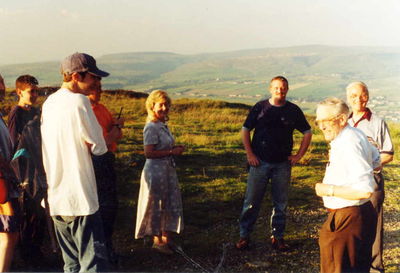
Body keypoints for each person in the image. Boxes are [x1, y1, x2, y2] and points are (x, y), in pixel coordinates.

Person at [41, 52, 109, 272]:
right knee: (92, 264)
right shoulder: (79, 102)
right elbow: (99, 145)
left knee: (71, 264)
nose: (97, 82)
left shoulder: (50, 102)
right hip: (80, 196)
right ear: (75, 76)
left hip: (56, 197)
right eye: (93, 77)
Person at [236, 76, 312, 251]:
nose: (280, 90)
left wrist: (299, 155)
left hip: (282, 164)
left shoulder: (293, 110)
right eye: (277, 88)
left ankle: (277, 238)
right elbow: (245, 129)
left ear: (287, 89)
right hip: (259, 163)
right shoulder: (260, 107)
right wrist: (250, 154)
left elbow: (307, 132)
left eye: (283, 87)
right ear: (270, 88)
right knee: (251, 202)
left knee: (281, 203)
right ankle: (244, 237)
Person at [315, 97, 379, 273]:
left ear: (342, 119)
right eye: (317, 121)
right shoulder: (354, 134)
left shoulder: (348, 142)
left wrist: (327, 189)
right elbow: (377, 159)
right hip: (357, 215)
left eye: (325, 121)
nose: (321, 126)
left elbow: (365, 190)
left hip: (348, 218)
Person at [346, 82, 394, 273]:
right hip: (348, 183)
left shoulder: (378, 122)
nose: (359, 99)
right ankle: (353, 264)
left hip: (372, 181)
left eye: (363, 95)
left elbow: (388, 153)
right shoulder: (345, 122)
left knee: (373, 225)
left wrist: (369, 167)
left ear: (368, 96)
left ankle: (375, 268)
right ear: (348, 98)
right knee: (351, 222)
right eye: (354, 96)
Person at [135, 90, 185, 255]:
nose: (164, 108)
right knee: (157, 205)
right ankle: (157, 242)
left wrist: (174, 151)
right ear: (152, 106)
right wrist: (172, 152)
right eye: (161, 105)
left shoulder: (162, 124)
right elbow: (148, 153)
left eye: (167, 104)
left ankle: (166, 240)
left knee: (169, 202)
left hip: (167, 170)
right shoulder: (151, 127)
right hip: (155, 172)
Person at [87, 84, 124, 263]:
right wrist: (115, 131)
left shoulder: (101, 108)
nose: (101, 91)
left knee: (110, 207)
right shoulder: (88, 112)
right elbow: (105, 141)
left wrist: (115, 130)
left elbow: (116, 135)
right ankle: (102, 253)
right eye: (97, 88)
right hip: (97, 162)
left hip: (107, 159)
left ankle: (107, 248)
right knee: (103, 207)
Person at [0, 77, 20, 272]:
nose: (2, 89)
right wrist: (10, 171)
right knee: (8, 232)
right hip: (2, 183)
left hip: (5, 180)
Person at [8, 75, 39, 152]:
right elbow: (14, 143)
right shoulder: (16, 113)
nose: (35, 95)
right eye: (31, 91)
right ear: (19, 92)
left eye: (36, 91)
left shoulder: (35, 111)